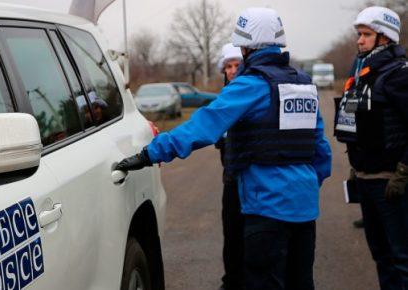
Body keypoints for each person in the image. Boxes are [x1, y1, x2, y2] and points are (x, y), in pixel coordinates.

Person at [116, 7, 332, 290]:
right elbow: (322, 153)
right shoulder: (304, 85)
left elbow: (203, 126)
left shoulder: (250, 85)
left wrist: (149, 153)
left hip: (266, 209)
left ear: (246, 47)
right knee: (301, 282)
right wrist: (301, 188)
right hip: (304, 211)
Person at [334, 6, 408, 290]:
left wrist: (403, 172)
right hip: (366, 180)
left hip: (391, 184)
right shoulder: (363, 74)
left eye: (366, 34)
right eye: (359, 34)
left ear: (385, 38)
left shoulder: (398, 75)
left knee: (401, 259)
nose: (359, 40)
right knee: (381, 257)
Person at [215, 43, 244, 290]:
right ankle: (232, 280)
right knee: (231, 233)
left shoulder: (254, 93)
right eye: (228, 66)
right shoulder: (222, 100)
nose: (233, 71)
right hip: (230, 177)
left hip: (253, 178)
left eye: (237, 65)